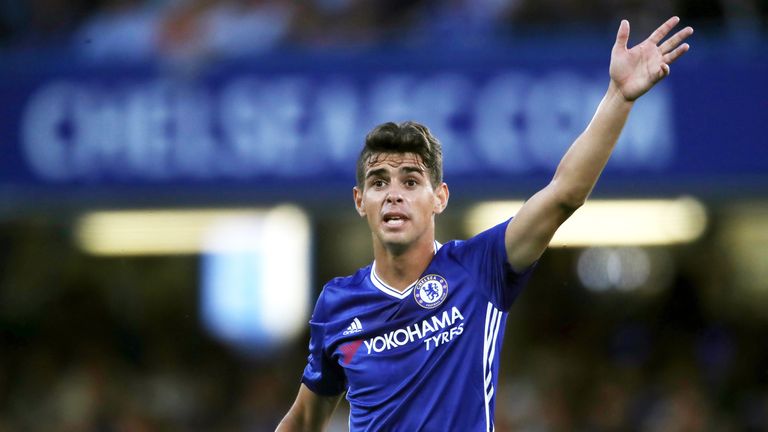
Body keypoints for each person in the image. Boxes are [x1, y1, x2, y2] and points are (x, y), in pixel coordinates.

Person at [276, 16, 693, 432]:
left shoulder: (480, 268)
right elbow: (303, 420)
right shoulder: (337, 305)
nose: (393, 194)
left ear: (440, 198)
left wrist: (618, 98)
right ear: (359, 201)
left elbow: (563, 193)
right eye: (378, 182)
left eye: (411, 180)